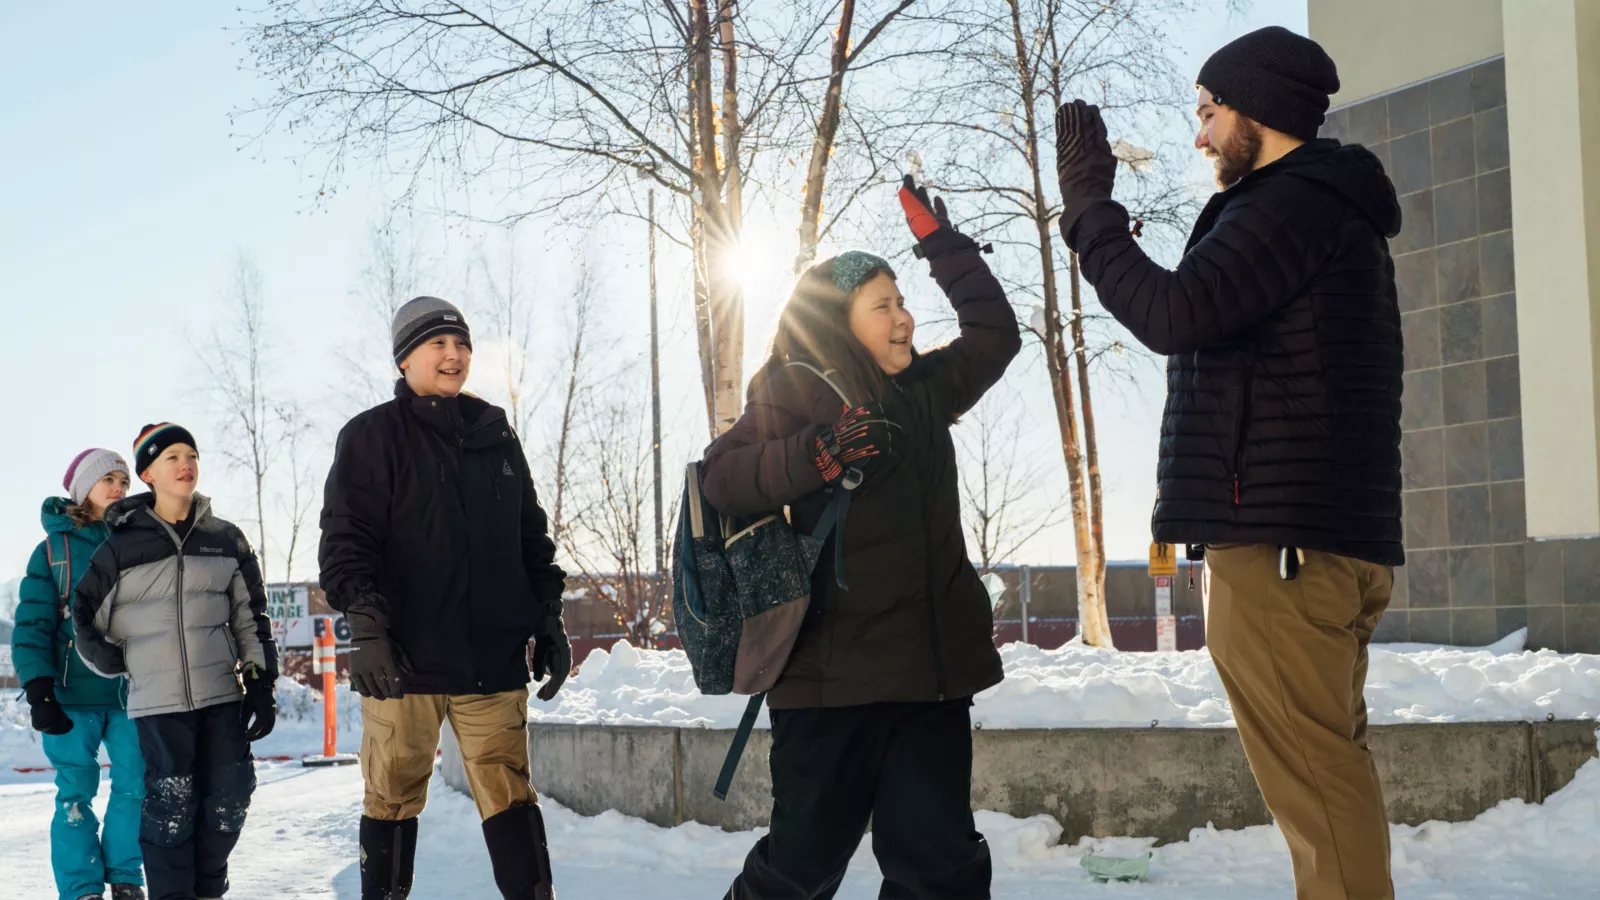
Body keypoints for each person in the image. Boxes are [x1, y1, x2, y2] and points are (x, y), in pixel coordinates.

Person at [1054, 25, 1402, 900]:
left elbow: (1173, 312)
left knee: (1318, 790)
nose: (1199, 134)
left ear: (1259, 111)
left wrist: (1091, 211)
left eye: (1209, 112)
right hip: (1312, 543)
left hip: (1283, 550)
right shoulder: (1320, 211)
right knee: (1327, 778)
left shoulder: (1290, 204)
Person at [703, 176, 1021, 899]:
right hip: (830, 682)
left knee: (940, 870)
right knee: (801, 867)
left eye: (903, 302)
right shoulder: (794, 383)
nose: (904, 318)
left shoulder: (926, 389)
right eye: (884, 306)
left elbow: (996, 337)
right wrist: (819, 455)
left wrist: (945, 249)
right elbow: (723, 476)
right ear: (840, 320)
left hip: (929, 676)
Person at [319, 295, 570, 900]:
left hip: (492, 657)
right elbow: (347, 541)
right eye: (438, 343)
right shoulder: (371, 436)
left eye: (461, 344)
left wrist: (549, 619)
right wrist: (369, 631)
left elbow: (528, 537)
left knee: (509, 790)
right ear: (405, 359)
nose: (454, 355)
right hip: (405, 660)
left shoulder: (493, 432)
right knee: (391, 795)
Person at [72, 424, 278, 900]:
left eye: (191, 453)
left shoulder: (225, 539)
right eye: (171, 457)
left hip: (222, 695)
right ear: (146, 472)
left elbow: (251, 618)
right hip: (159, 705)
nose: (185, 463)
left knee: (231, 795)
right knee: (172, 805)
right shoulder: (120, 547)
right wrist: (115, 660)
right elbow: (84, 612)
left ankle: (207, 889)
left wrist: (261, 684)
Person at [13, 450, 147, 900]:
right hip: (71, 696)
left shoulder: (135, 541)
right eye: (108, 479)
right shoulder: (52, 551)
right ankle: (82, 887)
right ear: (82, 488)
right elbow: (32, 625)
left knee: (135, 785)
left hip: (130, 693)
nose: (118, 489)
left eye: (124, 482)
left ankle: (126, 877)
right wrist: (39, 691)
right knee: (74, 794)